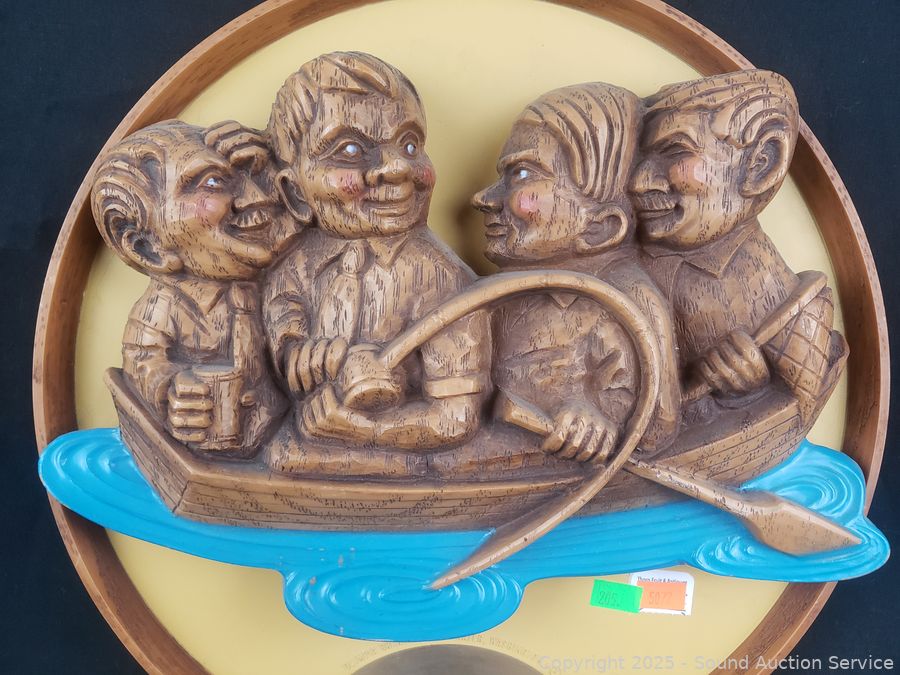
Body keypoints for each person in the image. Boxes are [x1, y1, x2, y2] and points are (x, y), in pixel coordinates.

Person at [263, 52, 490, 455]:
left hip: (397, 458)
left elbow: (456, 418)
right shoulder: (295, 267)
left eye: (409, 144)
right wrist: (297, 353)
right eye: (350, 150)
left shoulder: (441, 280)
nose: (396, 168)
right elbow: (284, 316)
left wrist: (369, 431)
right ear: (294, 192)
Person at [473, 82, 681, 461]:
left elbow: (656, 427)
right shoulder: (495, 296)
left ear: (600, 226)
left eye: (523, 174)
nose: (483, 198)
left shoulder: (629, 301)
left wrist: (598, 419)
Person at [629, 70, 847, 420]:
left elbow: (801, 406)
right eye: (639, 161)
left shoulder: (777, 293)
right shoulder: (631, 269)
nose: (638, 182)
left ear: (761, 164)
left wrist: (750, 393)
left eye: (675, 151)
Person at [91, 120, 294, 454]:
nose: (255, 198)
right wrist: (172, 391)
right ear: (146, 246)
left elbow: (303, 223)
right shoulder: (161, 309)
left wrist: (272, 168)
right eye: (212, 183)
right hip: (214, 453)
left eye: (252, 178)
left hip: (281, 437)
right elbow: (144, 363)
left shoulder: (277, 280)